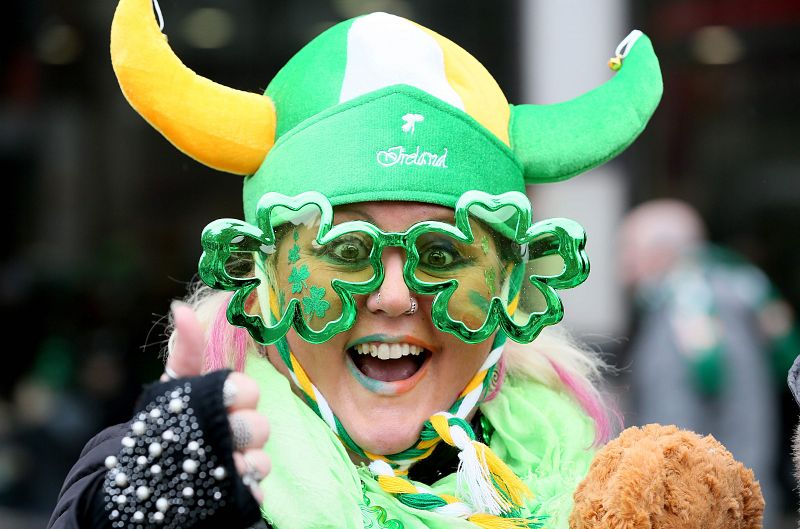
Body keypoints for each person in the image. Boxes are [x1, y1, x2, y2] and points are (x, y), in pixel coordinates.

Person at [48, 0, 663, 528]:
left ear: (509, 281)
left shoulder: (591, 481)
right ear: (262, 275)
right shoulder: (198, 462)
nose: (394, 297)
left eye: (443, 254)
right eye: (345, 252)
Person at [620, 198, 798, 526]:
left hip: (706, 505)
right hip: (745, 493)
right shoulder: (740, 286)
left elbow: (672, 418)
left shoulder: (686, 303)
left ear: (662, 252)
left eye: (629, 247)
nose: (624, 261)